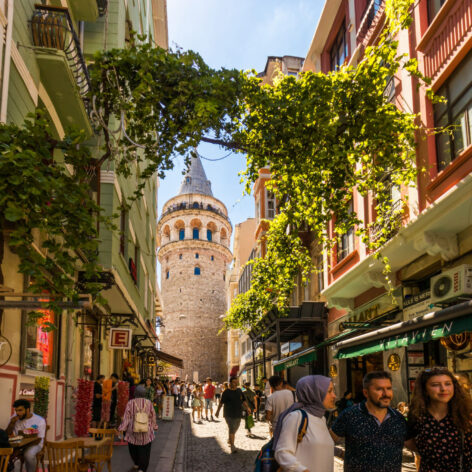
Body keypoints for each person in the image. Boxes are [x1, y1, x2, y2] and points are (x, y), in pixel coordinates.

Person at [330, 371, 407, 472]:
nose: (386, 394)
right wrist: (340, 453)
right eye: (379, 389)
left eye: (388, 388)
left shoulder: (398, 418)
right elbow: (326, 443)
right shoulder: (350, 415)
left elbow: (417, 446)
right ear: (366, 393)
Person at [405, 367, 472, 472]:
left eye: (448, 384)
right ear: (425, 390)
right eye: (435, 385)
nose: (443, 389)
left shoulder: (467, 414)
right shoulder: (417, 416)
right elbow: (410, 442)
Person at [273, 375, 336, 472]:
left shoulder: (322, 419)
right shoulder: (296, 417)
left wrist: (340, 453)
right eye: (329, 391)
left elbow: (317, 448)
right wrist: (302, 470)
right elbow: (282, 453)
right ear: (314, 393)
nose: (334, 395)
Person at [118, 385, 157, 472]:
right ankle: (142, 468)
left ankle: (136, 463)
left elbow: (126, 417)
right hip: (146, 429)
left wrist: (122, 428)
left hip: (132, 430)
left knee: (133, 447)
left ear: (135, 393)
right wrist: (154, 426)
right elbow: (153, 416)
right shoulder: (148, 403)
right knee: (145, 450)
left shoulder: (130, 403)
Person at [6, 399, 46, 472]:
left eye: (20, 410)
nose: (17, 413)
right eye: (16, 410)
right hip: (18, 443)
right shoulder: (14, 418)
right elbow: (7, 434)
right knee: (5, 451)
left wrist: (20, 449)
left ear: (27, 409)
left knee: (28, 455)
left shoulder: (39, 420)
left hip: (35, 444)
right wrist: (12, 423)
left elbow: (39, 439)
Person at [215, 377, 252, 453]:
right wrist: (217, 411)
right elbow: (221, 402)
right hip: (228, 413)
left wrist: (247, 407)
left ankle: (230, 439)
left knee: (236, 427)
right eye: (234, 382)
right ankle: (232, 446)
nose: (235, 384)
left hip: (238, 413)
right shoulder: (226, 392)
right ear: (230, 383)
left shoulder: (239, 390)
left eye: (236, 382)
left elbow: (243, 400)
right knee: (231, 428)